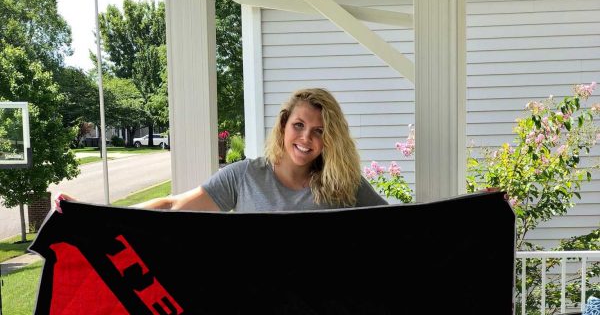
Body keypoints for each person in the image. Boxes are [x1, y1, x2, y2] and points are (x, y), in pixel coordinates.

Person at [56, 88, 388, 214]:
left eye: (319, 131)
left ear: (330, 139)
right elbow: (174, 206)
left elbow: (397, 230)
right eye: (299, 125)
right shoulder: (245, 176)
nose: (306, 138)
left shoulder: (345, 184)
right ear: (284, 125)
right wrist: (93, 213)